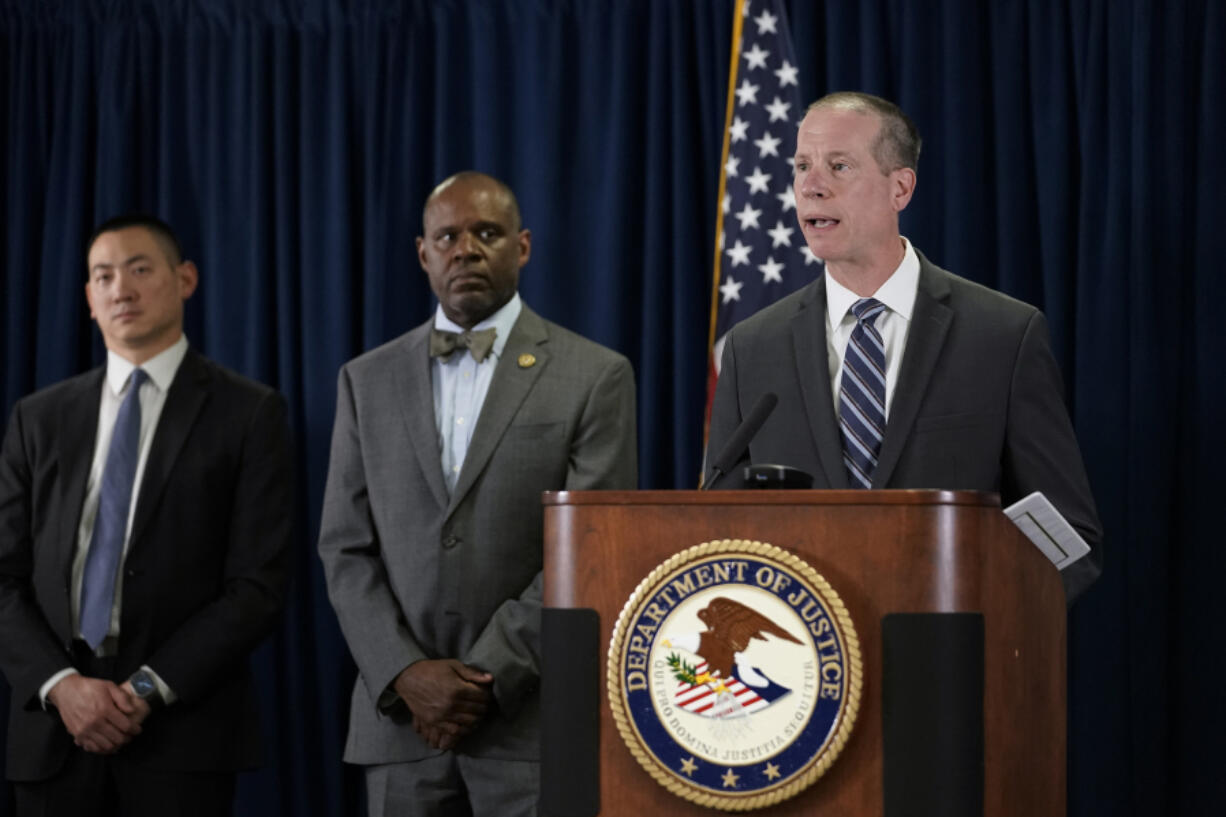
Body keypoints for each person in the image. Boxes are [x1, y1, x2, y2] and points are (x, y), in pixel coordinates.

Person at [318, 171, 637, 816]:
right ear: (423, 253)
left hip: (532, 727)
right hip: (401, 726)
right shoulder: (364, 380)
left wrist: (481, 681)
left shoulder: (596, 375)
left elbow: (592, 548)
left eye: (486, 233)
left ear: (522, 247)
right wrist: (406, 675)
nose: (465, 249)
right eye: (448, 236)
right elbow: (346, 550)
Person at [705, 92, 1102, 601]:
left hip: (951, 656)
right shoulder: (752, 347)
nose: (811, 185)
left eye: (839, 166)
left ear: (900, 188)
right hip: (806, 666)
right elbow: (719, 529)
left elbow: (1070, 540)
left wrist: (987, 623)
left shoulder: (1002, 335)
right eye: (802, 165)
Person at [0, 214, 294, 815]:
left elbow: (257, 587)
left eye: (139, 269)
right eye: (102, 276)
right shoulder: (39, 418)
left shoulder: (249, 413)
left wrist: (142, 691)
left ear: (184, 278)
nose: (120, 289)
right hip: (53, 732)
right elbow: (4, 578)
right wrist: (62, 688)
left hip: (181, 735)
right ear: (87, 298)